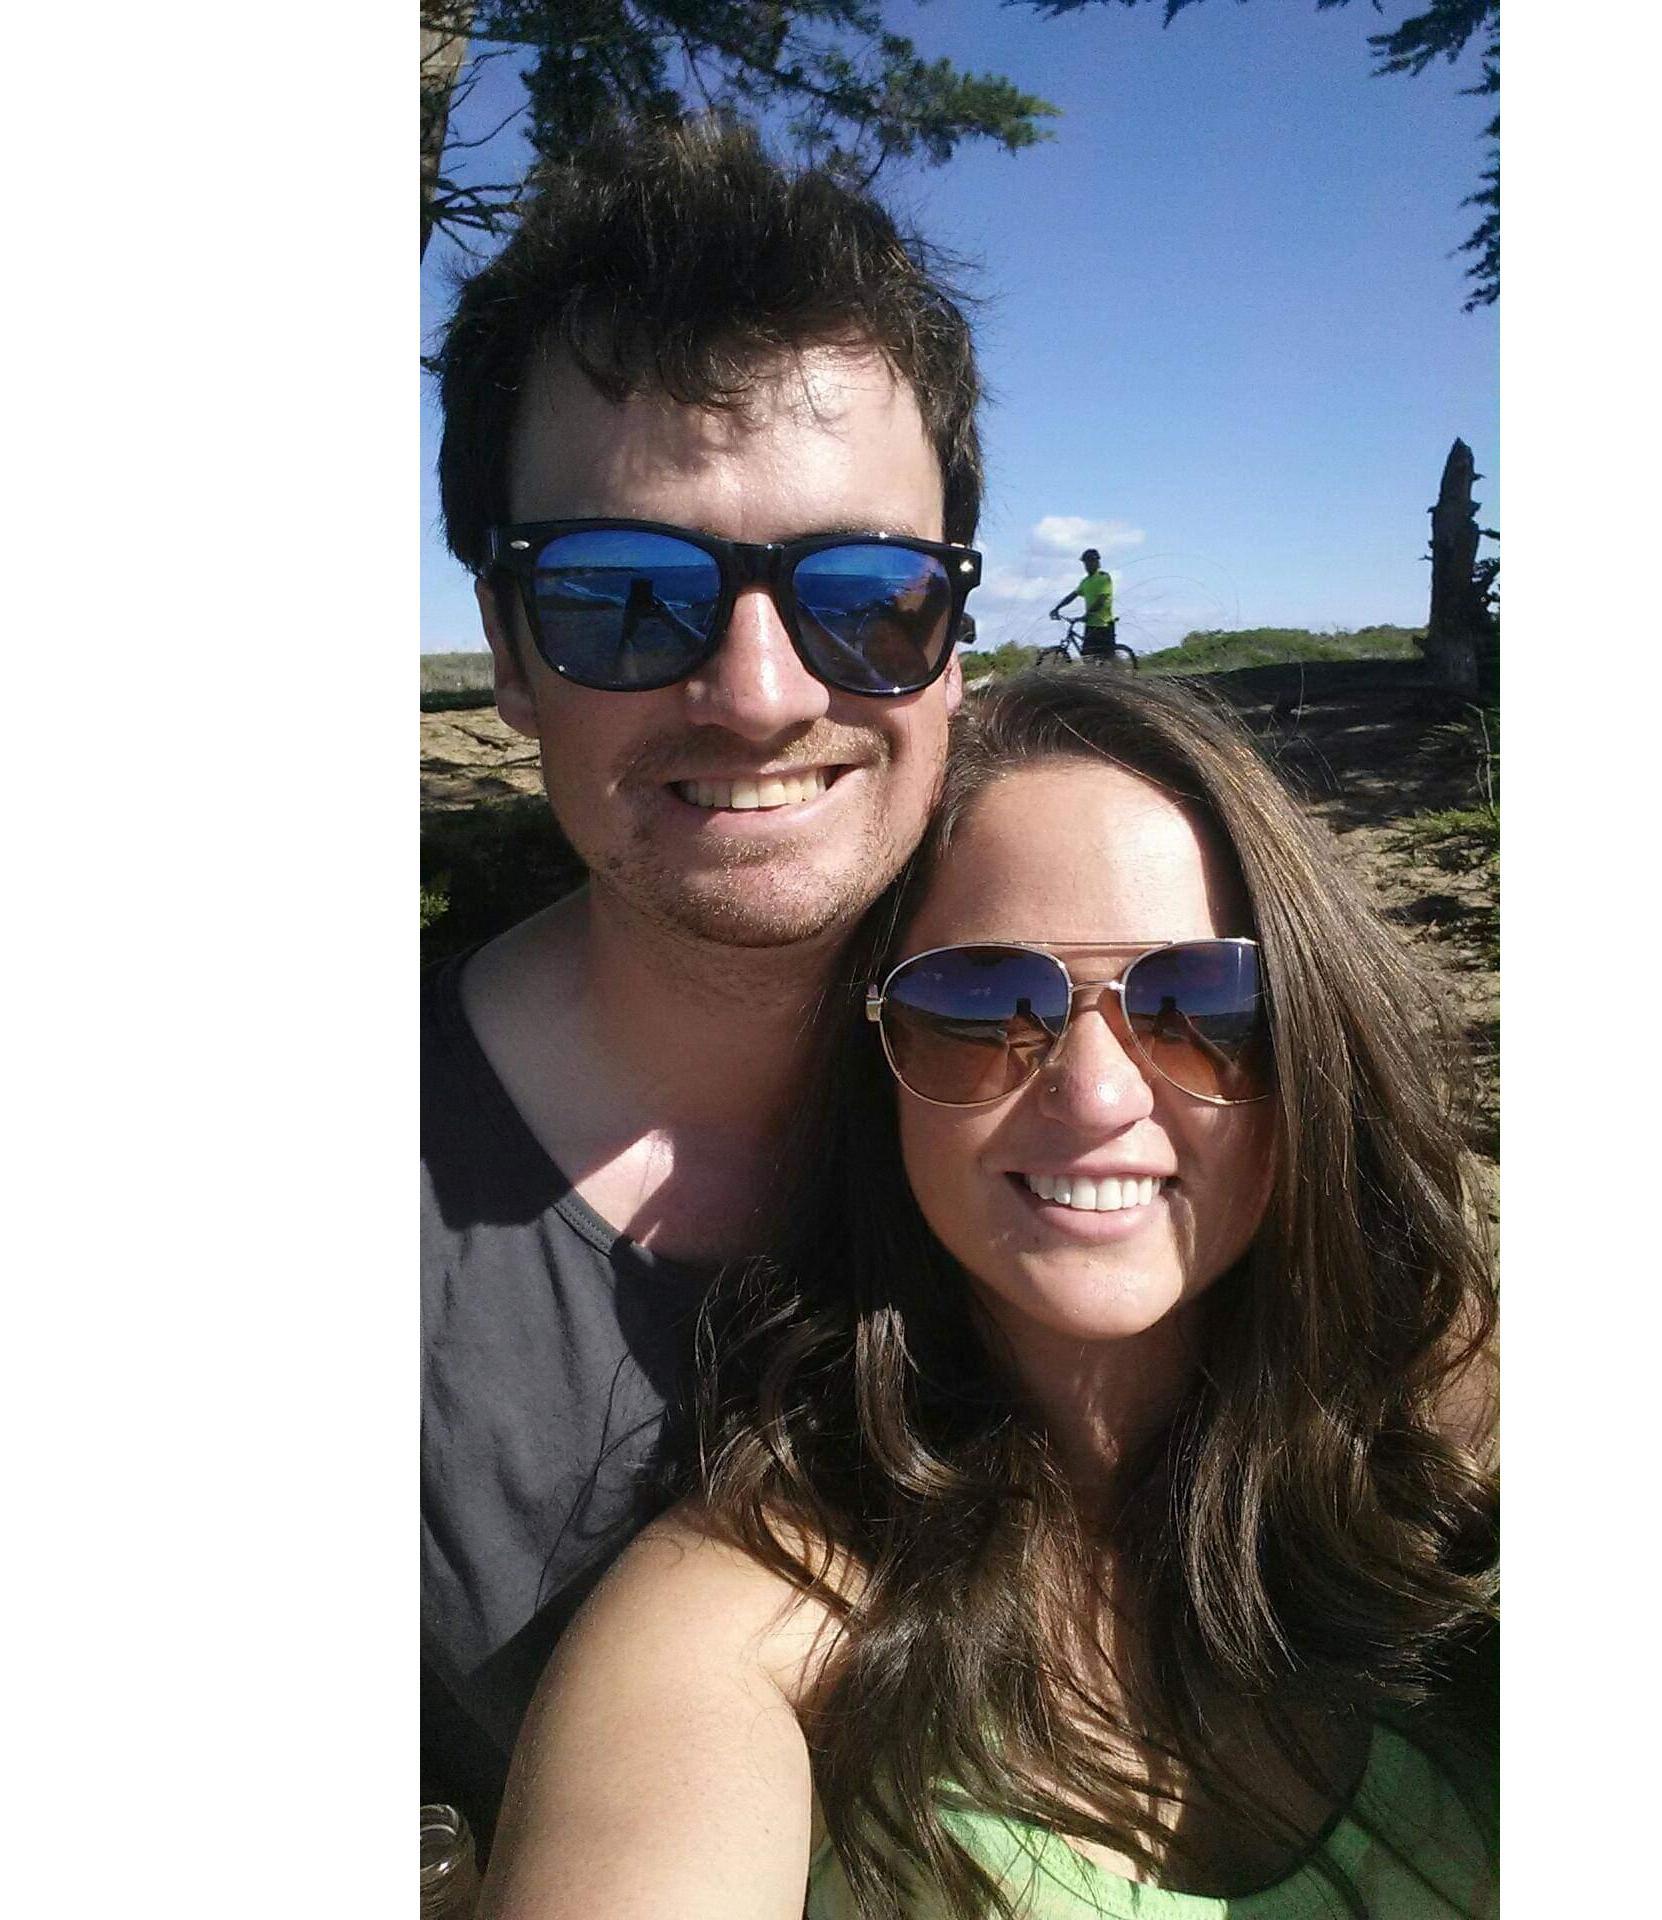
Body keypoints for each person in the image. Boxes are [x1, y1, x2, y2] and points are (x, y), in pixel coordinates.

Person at [478, 673, 1499, 1918]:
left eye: (1202, 1001)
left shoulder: (1451, 1453)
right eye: (981, 1005)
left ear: (1315, 1043)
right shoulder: (739, 1636)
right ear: (878, 1066)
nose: (1096, 1096)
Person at [422, 118, 987, 1841]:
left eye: (866, 597)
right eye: (621, 597)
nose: (754, 694)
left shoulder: (1143, 1063)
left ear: (953, 637)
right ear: (512, 655)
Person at [1049, 547, 1117, 657]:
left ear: (1097, 562)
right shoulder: (1085, 581)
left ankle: (1118, 672)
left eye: (1090, 562)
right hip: (1090, 624)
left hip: (1104, 624)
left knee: (1106, 657)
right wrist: (1057, 608)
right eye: (1085, 563)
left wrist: (1087, 614)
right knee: (1087, 657)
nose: (1087, 565)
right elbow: (1072, 596)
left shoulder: (1103, 578)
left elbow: (1101, 600)